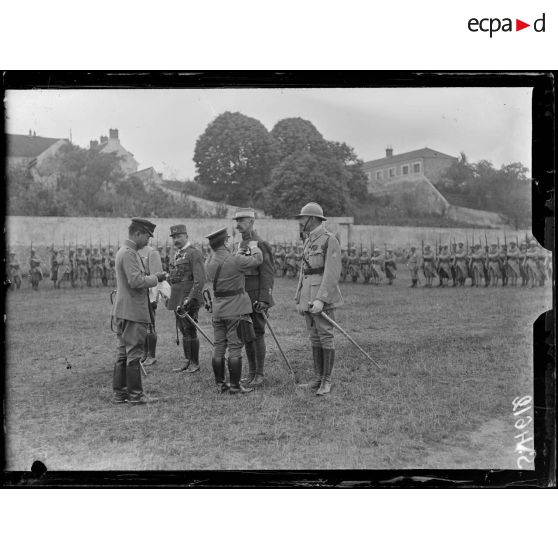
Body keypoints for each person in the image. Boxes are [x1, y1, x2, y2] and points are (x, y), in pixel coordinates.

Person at [111, 218, 167, 405]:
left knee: (123, 353)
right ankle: (136, 395)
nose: (147, 242)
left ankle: (121, 394)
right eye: (147, 237)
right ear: (137, 234)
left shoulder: (124, 252)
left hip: (124, 310)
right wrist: (156, 278)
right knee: (133, 354)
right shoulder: (129, 254)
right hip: (133, 311)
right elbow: (136, 282)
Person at [205, 227, 263, 394]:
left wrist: (237, 253)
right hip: (235, 310)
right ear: (225, 242)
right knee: (235, 348)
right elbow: (257, 260)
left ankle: (221, 384)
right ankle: (236, 386)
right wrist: (253, 246)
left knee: (218, 347)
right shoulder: (235, 260)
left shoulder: (209, 262)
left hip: (218, 311)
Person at [294, 202, 343, 396]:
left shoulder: (329, 239)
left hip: (321, 297)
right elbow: (303, 272)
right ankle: (317, 377)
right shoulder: (308, 240)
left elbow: (332, 273)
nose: (300, 221)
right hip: (308, 296)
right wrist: (299, 297)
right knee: (314, 336)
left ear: (312, 219)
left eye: (303, 218)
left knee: (325, 336)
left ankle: (327, 380)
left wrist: (321, 299)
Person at [232, 208, 275, 387]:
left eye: (242, 221)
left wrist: (265, 298)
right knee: (246, 334)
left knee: (257, 334)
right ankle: (250, 372)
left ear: (251, 222)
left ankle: (259, 373)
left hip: (256, 295)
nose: (238, 225)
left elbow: (267, 273)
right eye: (237, 222)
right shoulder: (239, 245)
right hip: (242, 295)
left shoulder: (261, 244)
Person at [167, 224, 206, 373]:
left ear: (186, 236)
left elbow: (200, 279)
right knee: (182, 329)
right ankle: (187, 361)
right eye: (174, 237)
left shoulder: (194, 253)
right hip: (177, 297)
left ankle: (195, 363)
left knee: (190, 329)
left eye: (178, 236)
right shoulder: (176, 254)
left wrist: (190, 299)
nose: (176, 239)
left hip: (189, 298)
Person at [138, 240, 164, 367]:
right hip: (137, 294)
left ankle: (151, 355)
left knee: (150, 325)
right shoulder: (132, 251)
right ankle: (144, 353)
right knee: (141, 325)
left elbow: (157, 277)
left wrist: (155, 297)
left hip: (149, 294)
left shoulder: (151, 252)